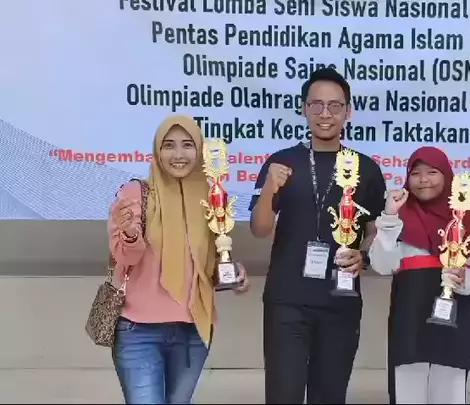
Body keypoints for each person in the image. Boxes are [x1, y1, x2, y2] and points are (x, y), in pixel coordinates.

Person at [249, 68, 387, 404]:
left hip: (340, 301)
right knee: (283, 395)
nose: (325, 114)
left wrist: (364, 255)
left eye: (335, 106)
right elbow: (259, 229)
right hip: (287, 301)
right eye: (317, 105)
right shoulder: (281, 162)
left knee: (330, 395)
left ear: (348, 111)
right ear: (304, 108)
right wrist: (269, 188)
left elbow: (375, 232)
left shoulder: (366, 169)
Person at [108, 115, 249, 404]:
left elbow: (207, 268)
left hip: (192, 330)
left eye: (187, 145)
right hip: (139, 331)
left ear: (199, 150)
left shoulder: (212, 198)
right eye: (169, 145)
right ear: (157, 150)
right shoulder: (135, 193)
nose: (178, 154)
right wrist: (131, 235)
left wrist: (231, 273)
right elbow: (123, 257)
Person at [369, 146, 470, 404]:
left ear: (447, 175)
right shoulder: (398, 217)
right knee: (407, 390)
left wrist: (466, 280)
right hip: (409, 324)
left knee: (449, 390)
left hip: (453, 322)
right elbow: (382, 266)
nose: (423, 180)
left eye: (432, 172)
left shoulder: (465, 219)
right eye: (416, 173)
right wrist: (389, 217)